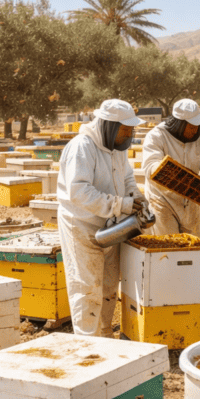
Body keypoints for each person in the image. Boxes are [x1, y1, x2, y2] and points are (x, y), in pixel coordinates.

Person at [57, 99, 146, 337]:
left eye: (131, 130)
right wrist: (121, 205)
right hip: (83, 227)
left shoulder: (118, 148)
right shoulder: (82, 147)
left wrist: (137, 198)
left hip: (112, 226)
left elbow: (127, 178)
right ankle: (88, 346)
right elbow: (79, 192)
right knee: (87, 289)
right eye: (125, 130)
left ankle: (105, 338)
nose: (129, 135)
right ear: (109, 126)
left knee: (108, 286)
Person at [142, 99, 200, 237]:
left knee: (190, 251)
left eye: (198, 125)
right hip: (162, 201)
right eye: (191, 126)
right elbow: (150, 166)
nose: (195, 130)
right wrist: (167, 172)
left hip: (191, 201)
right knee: (169, 247)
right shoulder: (156, 136)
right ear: (179, 124)